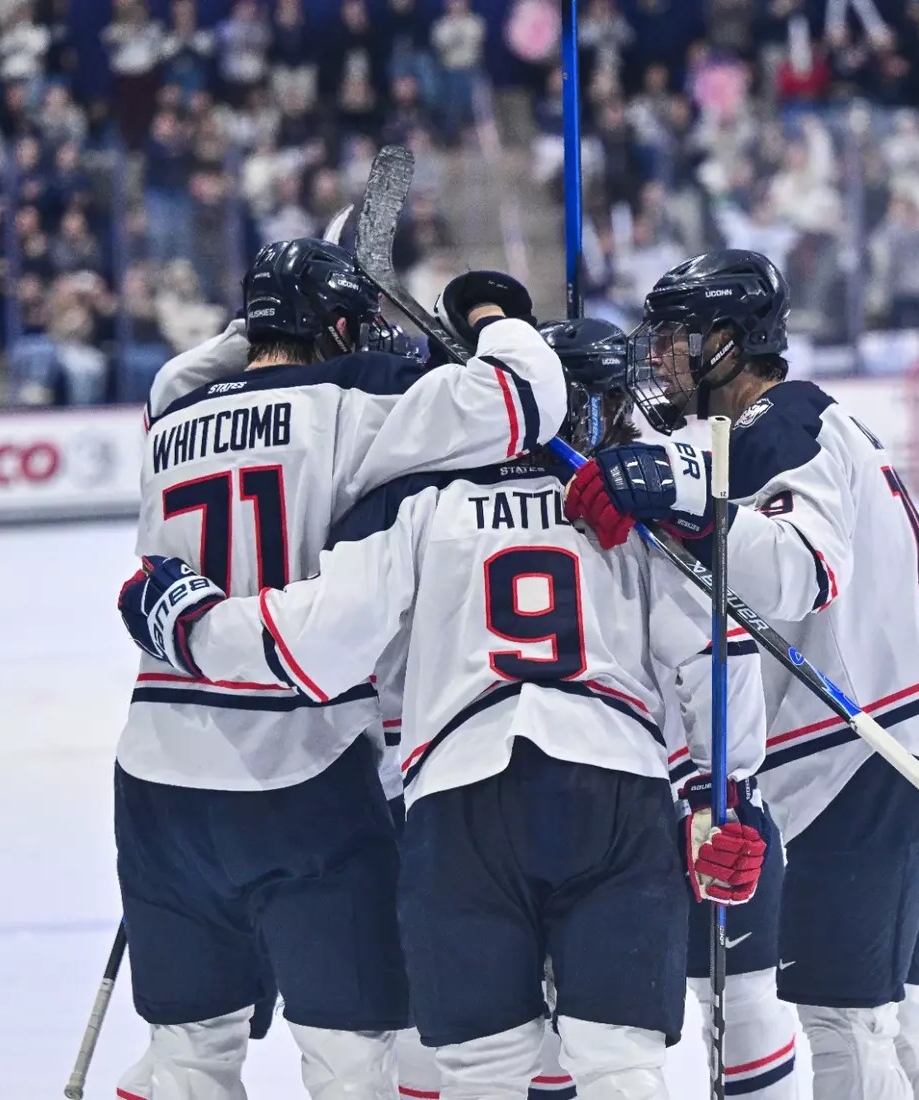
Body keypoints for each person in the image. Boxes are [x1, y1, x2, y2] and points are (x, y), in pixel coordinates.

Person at [120, 314, 770, 1100]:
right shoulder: (637, 508)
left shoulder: (416, 499)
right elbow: (716, 650)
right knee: (620, 1066)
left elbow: (316, 646)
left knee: (480, 1074)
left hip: (459, 803)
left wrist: (191, 623)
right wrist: (721, 795)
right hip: (614, 791)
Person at [106, 240, 566, 1100]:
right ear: (343, 329)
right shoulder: (363, 401)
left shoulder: (168, 412)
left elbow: (198, 371)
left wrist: (266, 316)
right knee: (351, 1062)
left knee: (186, 1058)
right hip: (306, 774)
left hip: (158, 776)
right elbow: (531, 397)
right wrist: (488, 316)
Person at [562, 250, 919, 1100]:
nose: (659, 358)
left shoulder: (774, 426)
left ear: (728, 343)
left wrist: (688, 496)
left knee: (845, 1023)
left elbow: (803, 570)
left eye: (676, 339)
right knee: (900, 1013)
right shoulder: (804, 423)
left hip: (867, 758)